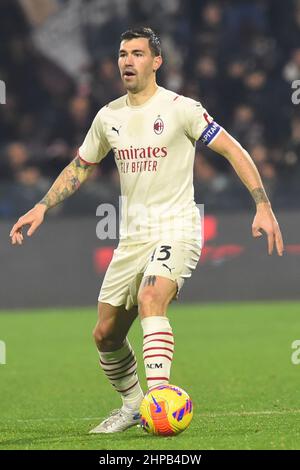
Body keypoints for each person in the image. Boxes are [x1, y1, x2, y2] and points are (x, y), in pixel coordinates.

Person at [10, 27, 284, 434]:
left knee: (151, 295)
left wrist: (263, 204)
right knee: (105, 335)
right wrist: (42, 205)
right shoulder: (109, 117)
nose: (127, 61)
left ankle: (160, 401)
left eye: (137, 53)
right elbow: (81, 166)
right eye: (123, 54)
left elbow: (233, 149)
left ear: (157, 61)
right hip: (132, 237)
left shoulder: (182, 109)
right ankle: (135, 405)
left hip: (177, 227)